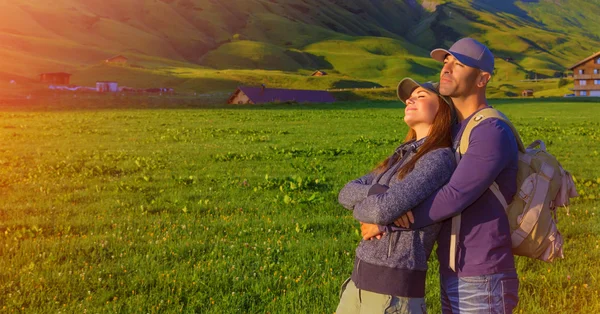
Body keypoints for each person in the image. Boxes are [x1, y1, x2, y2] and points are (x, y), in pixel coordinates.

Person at [364, 38, 520, 313]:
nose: (446, 69)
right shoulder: (457, 130)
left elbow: (454, 196)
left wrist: (386, 222)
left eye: (458, 64)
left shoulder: (491, 131)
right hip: (453, 270)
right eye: (446, 62)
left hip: (483, 275)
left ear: (482, 78)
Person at [336, 78, 456, 314]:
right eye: (410, 97)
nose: (409, 99)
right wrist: (377, 193)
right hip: (358, 281)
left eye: (421, 96)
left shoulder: (438, 159)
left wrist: (379, 214)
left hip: (392, 294)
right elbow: (345, 193)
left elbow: (382, 210)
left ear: (442, 109)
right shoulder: (400, 155)